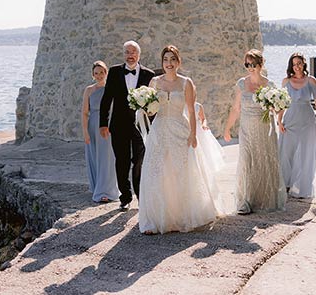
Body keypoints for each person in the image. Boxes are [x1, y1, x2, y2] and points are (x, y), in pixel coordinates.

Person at [139, 45, 221, 234]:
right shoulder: (154, 82)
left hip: (179, 129)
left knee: (180, 171)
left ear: (178, 62)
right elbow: (151, 110)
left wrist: (193, 135)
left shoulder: (186, 83)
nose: (169, 63)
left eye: (173, 59)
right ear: (162, 62)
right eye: (166, 60)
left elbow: (192, 111)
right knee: (156, 172)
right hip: (159, 130)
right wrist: (143, 107)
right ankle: (156, 218)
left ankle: (179, 216)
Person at [223, 49, 284, 215]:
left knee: (263, 161)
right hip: (247, 129)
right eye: (247, 64)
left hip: (265, 129)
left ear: (261, 64)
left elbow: (277, 109)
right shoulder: (241, 84)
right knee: (246, 161)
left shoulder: (269, 85)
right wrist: (228, 128)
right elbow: (236, 108)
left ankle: (263, 199)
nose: (250, 67)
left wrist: (277, 113)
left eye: (253, 64)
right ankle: (246, 200)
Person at [100, 41, 155, 211]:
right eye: (127, 52)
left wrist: (153, 126)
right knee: (121, 161)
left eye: (133, 52)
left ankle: (140, 195)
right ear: (123, 54)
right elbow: (107, 98)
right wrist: (103, 123)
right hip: (118, 125)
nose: (130, 55)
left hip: (140, 127)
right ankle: (125, 196)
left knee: (139, 162)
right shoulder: (115, 71)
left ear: (139, 55)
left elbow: (153, 102)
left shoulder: (149, 74)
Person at [277, 52, 316, 199]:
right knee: (286, 152)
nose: (296, 66)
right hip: (290, 119)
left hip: (307, 120)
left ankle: (302, 186)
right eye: (294, 64)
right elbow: (282, 103)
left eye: (299, 63)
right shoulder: (285, 81)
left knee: (305, 153)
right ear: (291, 66)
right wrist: (279, 121)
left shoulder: (311, 80)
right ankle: (285, 184)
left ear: (304, 63)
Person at [81, 61, 120, 203]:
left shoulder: (111, 89)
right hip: (92, 126)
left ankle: (105, 191)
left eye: (101, 72)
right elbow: (85, 113)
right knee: (95, 156)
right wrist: (85, 131)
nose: (99, 75)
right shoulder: (89, 90)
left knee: (108, 158)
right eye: (96, 73)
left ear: (106, 73)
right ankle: (97, 186)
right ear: (93, 74)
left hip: (107, 125)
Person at [194, 102, 225, 175]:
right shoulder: (181, 105)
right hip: (186, 129)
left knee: (202, 150)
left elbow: (203, 119)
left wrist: (204, 125)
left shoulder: (198, 106)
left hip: (198, 130)